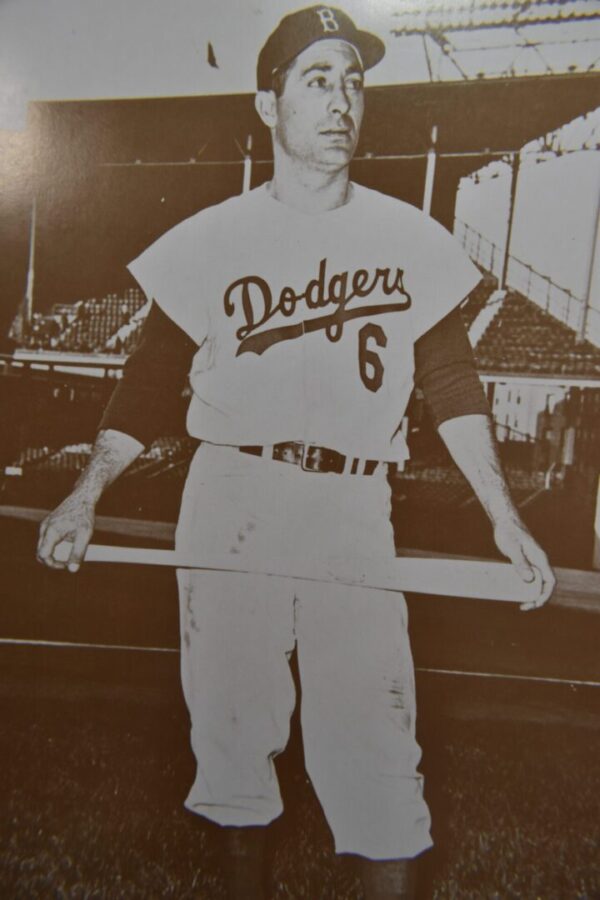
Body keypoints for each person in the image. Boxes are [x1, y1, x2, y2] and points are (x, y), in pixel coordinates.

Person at [37, 7, 555, 898]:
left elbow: (455, 387)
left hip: (354, 504)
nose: (342, 99)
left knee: (380, 752)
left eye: (354, 82)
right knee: (235, 748)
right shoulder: (210, 237)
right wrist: (84, 495)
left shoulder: (408, 237)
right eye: (317, 79)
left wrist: (506, 519)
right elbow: (150, 383)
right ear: (266, 105)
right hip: (232, 493)